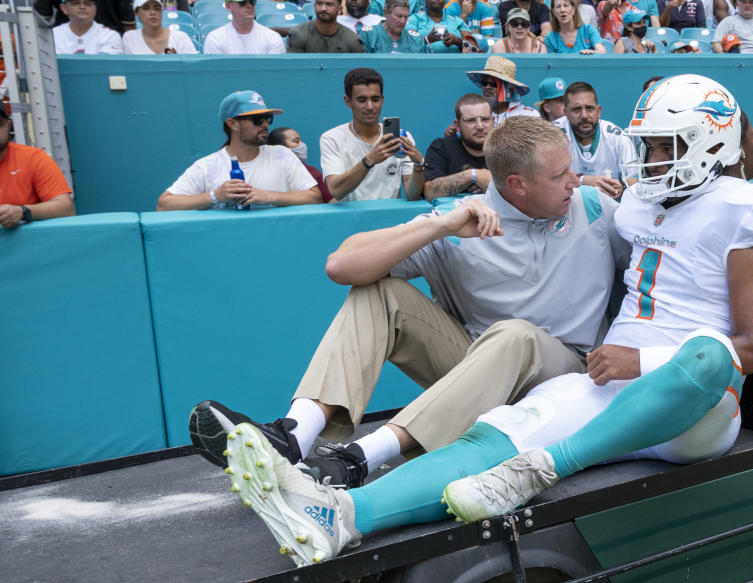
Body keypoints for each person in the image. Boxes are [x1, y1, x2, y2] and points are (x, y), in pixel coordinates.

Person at [205, 75, 753, 567]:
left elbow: (747, 346)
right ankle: (339, 511)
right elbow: (343, 265)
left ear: (707, 143)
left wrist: (641, 359)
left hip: (690, 396)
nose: (648, 160)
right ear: (516, 185)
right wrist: (443, 218)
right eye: (649, 146)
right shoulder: (628, 204)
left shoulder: (731, 208)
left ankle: (545, 468)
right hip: (593, 379)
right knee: (499, 436)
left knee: (707, 356)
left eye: (666, 146)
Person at [190, 115, 627, 493]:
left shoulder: (593, 206)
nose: (577, 180)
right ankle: (294, 437)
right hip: (476, 374)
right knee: (377, 290)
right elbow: (341, 265)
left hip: (571, 377)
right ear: (517, 184)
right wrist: (441, 227)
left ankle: (360, 457)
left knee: (515, 334)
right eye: (561, 175)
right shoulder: (458, 221)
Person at [157, 92, 323, 211]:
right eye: (258, 120)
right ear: (233, 124)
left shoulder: (282, 154)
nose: (265, 125)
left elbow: (314, 198)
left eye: (267, 118)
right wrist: (215, 196)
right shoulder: (207, 165)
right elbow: (164, 205)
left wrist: (270, 196)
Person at [319, 68, 425, 202]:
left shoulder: (402, 137)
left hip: (391, 219)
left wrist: (419, 164)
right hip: (351, 219)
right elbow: (336, 191)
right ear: (348, 101)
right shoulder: (331, 138)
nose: (370, 106)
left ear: (382, 100)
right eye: (362, 100)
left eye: (375, 99)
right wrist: (369, 160)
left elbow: (412, 195)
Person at [554, 82, 638, 199]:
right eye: (577, 109)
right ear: (566, 113)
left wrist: (622, 187)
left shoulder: (617, 137)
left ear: (598, 111)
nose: (584, 115)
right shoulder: (553, 137)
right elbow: (544, 184)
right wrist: (583, 181)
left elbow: (634, 181)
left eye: (589, 108)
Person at [0, 108, 74, 229]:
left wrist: (22, 212)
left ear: (9, 125)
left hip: (29, 244)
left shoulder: (33, 158)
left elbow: (66, 208)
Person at [422, 95, 493, 200]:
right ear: (457, 125)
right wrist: (472, 176)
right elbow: (428, 192)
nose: (480, 126)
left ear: (493, 121)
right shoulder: (441, 147)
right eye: (471, 120)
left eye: (485, 119)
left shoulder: (507, 150)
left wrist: (494, 186)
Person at [266, 127, 334, 203]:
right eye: (296, 141)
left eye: (300, 140)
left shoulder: (312, 171)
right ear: (281, 148)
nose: (302, 145)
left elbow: (330, 200)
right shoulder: (267, 171)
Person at [466, 56, 539, 124]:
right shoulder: (475, 114)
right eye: (484, 83)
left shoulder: (528, 116)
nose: (487, 87)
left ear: (507, 88)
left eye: (494, 84)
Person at [203, 0, 286, 54]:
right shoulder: (215, 38)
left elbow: (273, 75)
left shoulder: (272, 37)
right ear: (228, 6)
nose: (249, 5)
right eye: (242, 2)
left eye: (252, 1)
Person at [286, 0, 365, 52]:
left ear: (340, 10)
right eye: (319, 4)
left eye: (329, 4)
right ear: (314, 6)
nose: (323, 8)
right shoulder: (298, 33)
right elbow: (294, 70)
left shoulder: (352, 39)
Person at [122, 0, 197, 54]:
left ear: (161, 12)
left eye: (157, 8)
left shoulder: (181, 37)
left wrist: (177, 62)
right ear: (136, 12)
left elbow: (193, 69)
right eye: (146, 8)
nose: (152, 12)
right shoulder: (129, 38)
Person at [52, 0, 122, 54]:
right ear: (64, 8)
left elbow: (105, 67)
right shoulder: (52, 35)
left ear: (95, 9)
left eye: (88, 4)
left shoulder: (110, 35)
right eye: (76, 3)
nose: (82, 7)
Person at [359, 0, 428, 52]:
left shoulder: (416, 40)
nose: (403, 21)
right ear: (385, 13)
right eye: (399, 16)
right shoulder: (368, 35)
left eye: (406, 17)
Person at [407, 0, 472, 51]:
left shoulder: (456, 21)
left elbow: (473, 46)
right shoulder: (414, 19)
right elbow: (407, 44)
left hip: (456, 64)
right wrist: (426, 39)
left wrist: (458, 41)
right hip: (423, 64)